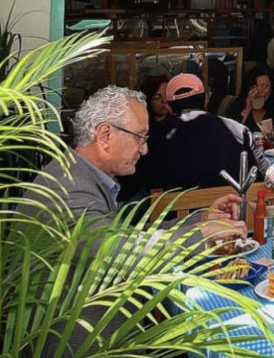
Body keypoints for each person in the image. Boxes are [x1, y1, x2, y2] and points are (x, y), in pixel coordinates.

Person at [19, 86, 248, 355]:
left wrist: (201, 220)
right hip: (78, 343)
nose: (145, 148)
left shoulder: (78, 173)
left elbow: (124, 233)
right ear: (105, 135)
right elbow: (122, 250)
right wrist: (201, 235)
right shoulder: (72, 188)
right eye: (139, 137)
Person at [144, 73, 269, 192]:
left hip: (177, 212)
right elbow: (264, 171)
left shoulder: (153, 136)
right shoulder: (237, 129)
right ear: (205, 99)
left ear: (169, 107)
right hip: (232, 209)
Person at [118, 75, 177, 203]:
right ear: (148, 99)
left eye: (166, 96)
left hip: (168, 191)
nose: (164, 101)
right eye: (157, 97)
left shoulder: (177, 125)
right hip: (137, 187)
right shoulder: (137, 125)